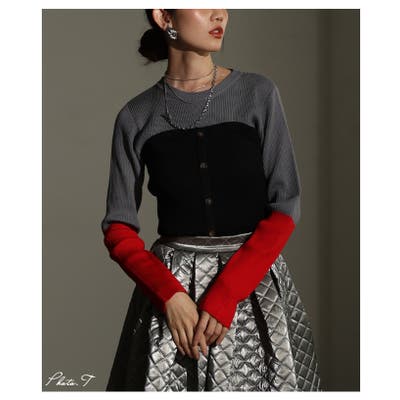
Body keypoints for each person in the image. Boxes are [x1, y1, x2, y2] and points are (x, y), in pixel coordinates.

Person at [101, 9, 322, 391]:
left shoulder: (258, 93)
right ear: (163, 16)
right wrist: (169, 296)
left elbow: (285, 206)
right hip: (172, 303)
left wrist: (227, 293)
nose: (220, 13)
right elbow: (118, 228)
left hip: (254, 288)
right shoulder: (135, 116)